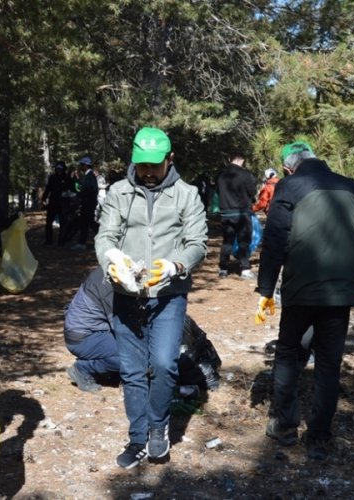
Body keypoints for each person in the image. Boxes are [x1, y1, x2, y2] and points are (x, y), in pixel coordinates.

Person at [94, 126, 207, 469]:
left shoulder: (187, 194)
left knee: (162, 364)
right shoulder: (119, 192)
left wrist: (175, 266)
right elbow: (105, 237)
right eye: (142, 165)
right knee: (130, 370)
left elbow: (197, 243)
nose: (147, 172)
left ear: (169, 161)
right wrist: (111, 264)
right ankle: (138, 438)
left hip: (168, 295)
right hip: (127, 294)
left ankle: (158, 427)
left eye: (154, 166)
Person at [255, 141, 354, 461]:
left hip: (300, 289)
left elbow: (275, 239)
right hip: (341, 292)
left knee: (289, 353)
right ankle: (318, 439)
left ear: (289, 168)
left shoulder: (289, 186)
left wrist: (265, 290)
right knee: (329, 364)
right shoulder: (353, 187)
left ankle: (286, 426)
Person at [64, 267, 221, 394]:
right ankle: (83, 368)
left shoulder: (124, 274)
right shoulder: (109, 282)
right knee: (134, 356)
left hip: (101, 332)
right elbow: (123, 327)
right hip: (84, 338)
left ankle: (121, 369)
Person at [215, 153, 257, 279]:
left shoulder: (221, 176)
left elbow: (217, 192)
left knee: (227, 241)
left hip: (226, 213)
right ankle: (244, 268)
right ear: (242, 160)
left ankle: (223, 268)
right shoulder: (245, 175)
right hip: (242, 213)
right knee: (243, 241)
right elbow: (253, 191)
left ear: (230, 159)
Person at [71, 155, 99, 250]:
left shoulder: (90, 176)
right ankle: (81, 242)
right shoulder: (88, 175)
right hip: (88, 203)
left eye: (81, 165)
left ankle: (82, 243)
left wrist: (80, 196)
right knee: (87, 223)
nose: (80, 167)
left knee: (88, 223)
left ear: (85, 166)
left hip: (88, 203)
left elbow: (90, 189)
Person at [40, 161, 71, 245]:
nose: (59, 170)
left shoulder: (67, 178)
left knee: (62, 223)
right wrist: (43, 198)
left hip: (63, 203)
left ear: (63, 169)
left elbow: (71, 190)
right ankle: (48, 240)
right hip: (53, 202)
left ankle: (61, 241)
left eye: (60, 169)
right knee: (49, 222)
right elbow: (48, 188)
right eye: (57, 168)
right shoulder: (52, 177)